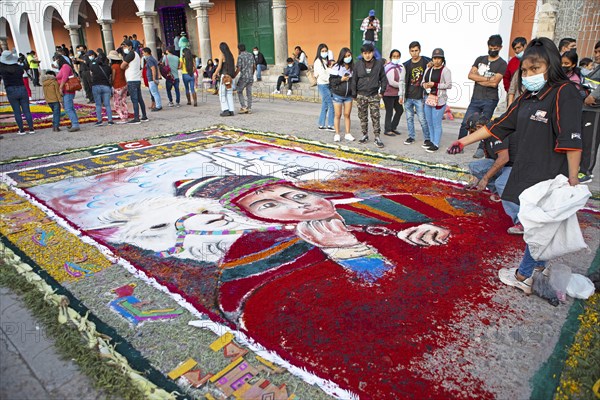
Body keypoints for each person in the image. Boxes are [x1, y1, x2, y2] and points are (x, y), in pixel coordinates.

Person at [448, 37, 583, 294]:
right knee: (536, 224)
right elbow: (497, 126)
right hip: (527, 169)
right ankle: (538, 269)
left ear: (551, 65)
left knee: (536, 226)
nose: (529, 75)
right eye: (525, 71)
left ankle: (523, 275)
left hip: (551, 174)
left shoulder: (564, 92)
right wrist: (463, 141)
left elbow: (572, 140)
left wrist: (572, 179)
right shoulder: (528, 97)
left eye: (535, 69)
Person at [465, 113, 521, 233]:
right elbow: (489, 159)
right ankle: (500, 194)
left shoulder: (497, 132)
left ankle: (520, 221)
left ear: (480, 127)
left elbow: (503, 158)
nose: (471, 135)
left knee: (501, 183)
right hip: (505, 164)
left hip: (516, 165)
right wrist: (477, 179)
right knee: (475, 166)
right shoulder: (486, 137)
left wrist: (485, 178)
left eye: (473, 131)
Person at [458, 34, 508, 159]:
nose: (493, 49)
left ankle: (481, 149)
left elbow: (495, 82)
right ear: (488, 45)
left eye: (496, 48)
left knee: (484, 125)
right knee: (465, 122)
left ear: (500, 48)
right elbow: (470, 75)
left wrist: (479, 78)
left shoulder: (502, 63)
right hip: (476, 98)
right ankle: (459, 145)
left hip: (490, 99)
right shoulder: (480, 59)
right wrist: (487, 79)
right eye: (491, 47)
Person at [354, 43, 388, 148]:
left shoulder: (378, 64)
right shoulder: (358, 64)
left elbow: (383, 79)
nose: (367, 55)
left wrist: (382, 92)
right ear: (362, 54)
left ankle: (377, 137)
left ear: (372, 53)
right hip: (361, 95)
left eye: (369, 53)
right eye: (365, 53)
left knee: (376, 116)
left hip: (374, 95)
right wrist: (354, 94)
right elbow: (353, 80)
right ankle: (364, 135)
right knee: (362, 116)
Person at [421, 48, 452, 153]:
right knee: (429, 122)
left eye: (439, 58)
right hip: (428, 98)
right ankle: (431, 140)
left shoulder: (445, 70)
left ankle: (436, 143)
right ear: (432, 59)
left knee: (436, 123)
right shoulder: (428, 69)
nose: (437, 60)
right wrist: (425, 84)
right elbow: (423, 81)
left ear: (442, 59)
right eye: (435, 58)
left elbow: (449, 85)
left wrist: (435, 84)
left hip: (440, 100)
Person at [402, 41, 431, 147]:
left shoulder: (426, 60)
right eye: (412, 51)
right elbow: (402, 81)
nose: (414, 53)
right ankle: (411, 137)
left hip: (420, 96)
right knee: (409, 118)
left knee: (422, 119)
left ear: (420, 50)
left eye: (416, 51)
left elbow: (440, 62)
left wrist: (431, 64)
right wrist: (401, 95)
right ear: (409, 51)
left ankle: (427, 138)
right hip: (408, 96)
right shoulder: (406, 64)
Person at [0, 50, 35, 134]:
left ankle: (21, 130)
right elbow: (23, 71)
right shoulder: (19, 67)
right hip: (21, 88)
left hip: (10, 89)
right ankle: (31, 128)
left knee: (16, 111)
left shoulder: (2, 69)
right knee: (26, 110)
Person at [580, 40, 600, 184]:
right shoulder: (596, 69)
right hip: (587, 108)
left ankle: (586, 171)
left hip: (595, 110)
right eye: (596, 51)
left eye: (599, 52)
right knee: (584, 140)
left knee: (590, 142)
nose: (596, 55)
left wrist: (593, 96)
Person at [329, 47, 356, 142]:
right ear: (342, 57)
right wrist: (341, 79)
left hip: (348, 96)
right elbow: (331, 82)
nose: (348, 57)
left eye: (349, 55)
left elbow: (355, 82)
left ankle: (348, 133)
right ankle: (337, 134)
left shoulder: (353, 68)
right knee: (338, 115)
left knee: (347, 114)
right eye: (345, 56)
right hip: (338, 95)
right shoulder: (337, 67)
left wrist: (354, 93)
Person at [121, 39, 148, 124]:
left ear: (130, 47)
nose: (124, 48)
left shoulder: (131, 54)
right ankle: (144, 116)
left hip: (132, 80)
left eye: (125, 46)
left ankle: (136, 118)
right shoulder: (136, 54)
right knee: (139, 99)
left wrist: (125, 66)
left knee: (134, 99)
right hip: (136, 79)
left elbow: (122, 66)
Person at [382, 49, 405, 137]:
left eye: (397, 56)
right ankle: (387, 130)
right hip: (388, 94)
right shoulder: (389, 67)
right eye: (394, 56)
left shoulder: (400, 67)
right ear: (391, 57)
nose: (396, 58)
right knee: (389, 112)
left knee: (400, 110)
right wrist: (402, 85)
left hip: (396, 94)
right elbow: (391, 82)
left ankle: (393, 127)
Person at [55, 54, 80, 132]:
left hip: (68, 90)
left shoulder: (65, 66)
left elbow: (65, 77)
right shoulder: (63, 67)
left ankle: (75, 124)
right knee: (70, 107)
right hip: (66, 90)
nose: (56, 62)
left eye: (56, 60)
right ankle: (74, 123)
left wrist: (60, 87)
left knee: (68, 108)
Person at [313, 43, 335, 131]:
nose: (324, 52)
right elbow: (322, 74)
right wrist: (330, 79)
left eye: (326, 51)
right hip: (323, 84)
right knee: (331, 104)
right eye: (322, 51)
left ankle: (321, 124)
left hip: (326, 84)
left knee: (325, 105)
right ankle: (330, 125)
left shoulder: (325, 61)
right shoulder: (318, 62)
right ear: (319, 52)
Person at [90, 51, 114, 126]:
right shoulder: (108, 67)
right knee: (107, 104)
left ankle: (99, 120)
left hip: (96, 85)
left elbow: (91, 73)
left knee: (98, 104)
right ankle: (110, 120)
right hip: (106, 86)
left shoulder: (93, 66)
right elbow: (110, 76)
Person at [212, 42, 236, 116]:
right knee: (229, 94)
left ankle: (225, 109)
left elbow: (219, 67)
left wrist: (214, 74)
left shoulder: (222, 55)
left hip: (224, 77)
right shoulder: (231, 55)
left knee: (222, 94)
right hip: (230, 77)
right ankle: (231, 110)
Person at [108, 50, 128, 123]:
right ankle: (125, 115)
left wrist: (111, 83)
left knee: (116, 103)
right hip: (124, 84)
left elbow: (113, 77)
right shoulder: (121, 65)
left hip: (117, 85)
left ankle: (122, 117)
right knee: (124, 101)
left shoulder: (114, 66)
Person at [236, 43, 255, 114]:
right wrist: (252, 74)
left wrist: (234, 76)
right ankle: (249, 108)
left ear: (239, 49)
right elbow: (254, 66)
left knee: (239, 90)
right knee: (249, 92)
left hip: (243, 77)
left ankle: (243, 107)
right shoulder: (250, 55)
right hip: (250, 77)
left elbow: (238, 68)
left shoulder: (240, 56)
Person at [142, 47, 162, 112]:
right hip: (153, 78)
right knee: (156, 92)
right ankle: (158, 105)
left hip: (151, 78)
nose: (143, 54)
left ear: (147, 52)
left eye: (143, 52)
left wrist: (153, 78)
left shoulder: (149, 60)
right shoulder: (153, 58)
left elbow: (153, 68)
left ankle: (158, 106)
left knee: (154, 92)